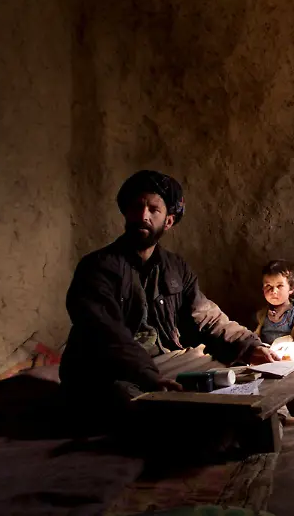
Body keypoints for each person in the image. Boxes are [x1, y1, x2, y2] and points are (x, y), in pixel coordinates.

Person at [59, 170, 278, 411]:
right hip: (109, 367)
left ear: (169, 221)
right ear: (127, 213)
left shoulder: (176, 267)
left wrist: (249, 346)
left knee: (237, 379)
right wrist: (148, 376)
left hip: (166, 361)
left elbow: (206, 317)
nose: (143, 215)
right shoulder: (97, 267)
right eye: (137, 207)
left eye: (154, 210)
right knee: (135, 402)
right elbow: (105, 334)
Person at [255, 259, 294, 362]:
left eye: (279, 286)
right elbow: (254, 336)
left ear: (291, 288)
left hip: (289, 352)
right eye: (268, 286)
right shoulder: (261, 314)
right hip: (268, 354)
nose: (274, 291)